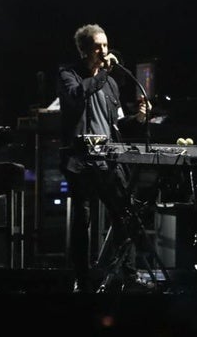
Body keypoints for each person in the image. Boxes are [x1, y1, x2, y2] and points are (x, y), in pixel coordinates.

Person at [57, 24, 150, 293]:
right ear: (83, 49)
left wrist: (141, 117)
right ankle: (82, 278)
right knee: (81, 219)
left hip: (108, 160)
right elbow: (77, 96)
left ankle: (126, 276)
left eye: (106, 45)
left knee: (125, 215)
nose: (103, 51)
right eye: (97, 46)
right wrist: (103, 74)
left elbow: (119, 123)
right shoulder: (68, 74)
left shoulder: (110, 84)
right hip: (80, 160)